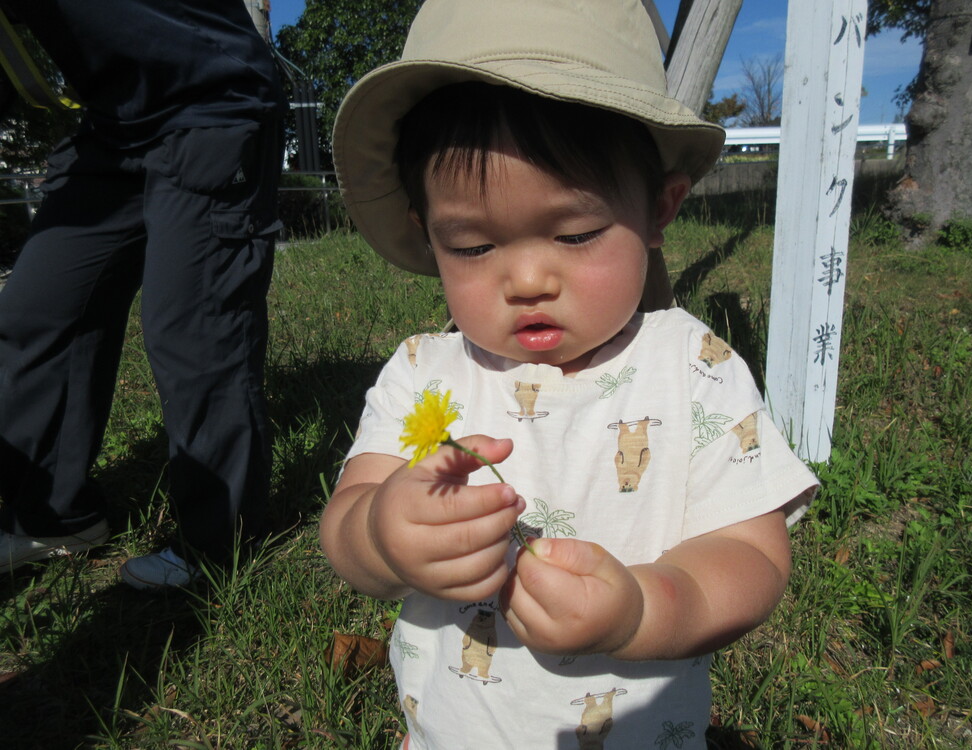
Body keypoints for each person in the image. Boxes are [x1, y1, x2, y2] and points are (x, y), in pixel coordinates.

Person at [321, 0, 818, 747]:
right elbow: (349, 518)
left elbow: (751, 555)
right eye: (473, 247)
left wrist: (646, 609)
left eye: (576, 233)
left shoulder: (694, 368)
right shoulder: (424, 372)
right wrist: (384, 536)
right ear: (429, 236)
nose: (526, 279)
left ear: (658, 210)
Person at [0, 0, 285, 589]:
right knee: (37, 308)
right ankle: (56, 516)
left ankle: (218, 550)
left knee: (192, 329)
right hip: (112, 124)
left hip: (211, 98)